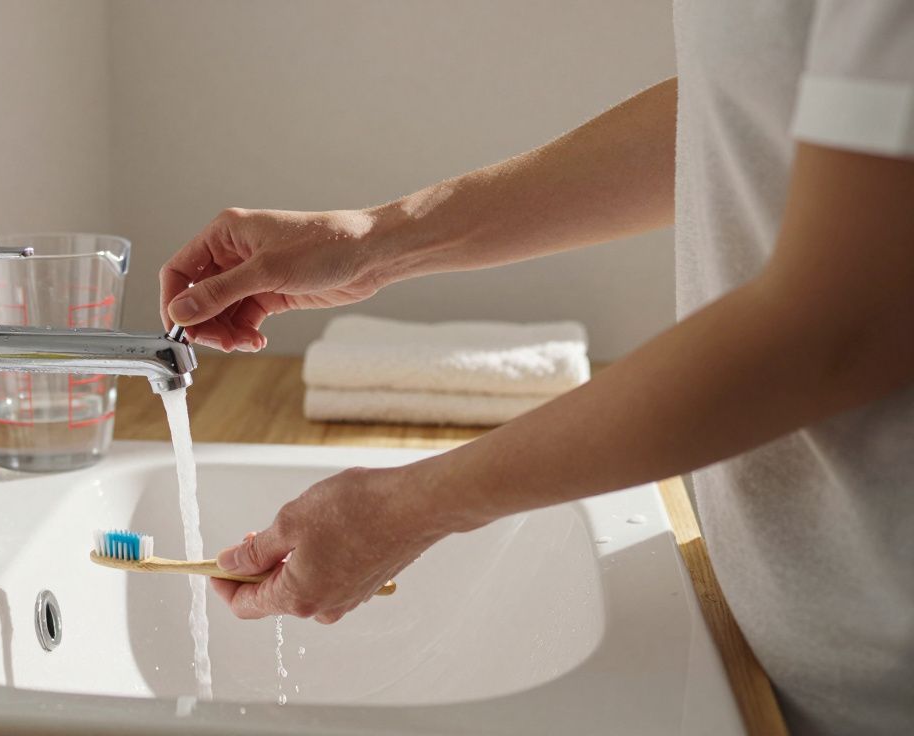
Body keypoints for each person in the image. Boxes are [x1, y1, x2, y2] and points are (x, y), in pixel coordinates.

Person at [158, 3, 913, 734]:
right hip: (781, 628)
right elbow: (741, 104)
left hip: (878, 670)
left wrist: (413, 506)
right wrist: (375, 240)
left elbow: (835, 330)